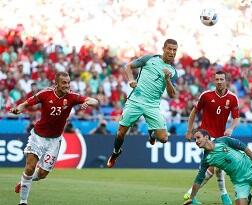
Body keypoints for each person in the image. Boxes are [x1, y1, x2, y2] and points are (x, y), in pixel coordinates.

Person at [10, 71, 99, 205]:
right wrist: (19, 108)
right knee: (30, 168)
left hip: (54, 141)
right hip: (38, 137)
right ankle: (23, 201)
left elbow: (95, 101)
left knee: (42, 175)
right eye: (64, 82)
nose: (67, 85)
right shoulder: (45, 94)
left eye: (68, 82)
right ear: (56, 83)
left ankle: (23, 182)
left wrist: (88, 102)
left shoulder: (72, 97)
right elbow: (26, 103)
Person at [106, 39, 178, 168]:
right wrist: (131, 80)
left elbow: (173, 95)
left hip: (152, 105)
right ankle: (116, 152)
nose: (172, 52)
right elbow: (128, 67)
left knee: (164, 139)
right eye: (170, 49)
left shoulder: (172, 71)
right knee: (121, 132)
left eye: (174, 50)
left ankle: (152, 132)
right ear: (163, 48)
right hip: (135, 101)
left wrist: (167, 79)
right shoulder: (150, 58)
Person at [184, 70, 240, 205]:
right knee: (217, 165)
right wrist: (190, 130)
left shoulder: (232, 98)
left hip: (221, 137)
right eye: (217, 79)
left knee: (215, 167)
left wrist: (231, 128)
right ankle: (223, 196)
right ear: (214, 81)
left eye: (222, 79)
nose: (219, 82)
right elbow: (194, 112)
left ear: (226, 80)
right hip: (206, 136)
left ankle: (190, 194)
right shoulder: (206, 95)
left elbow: (236, 118)